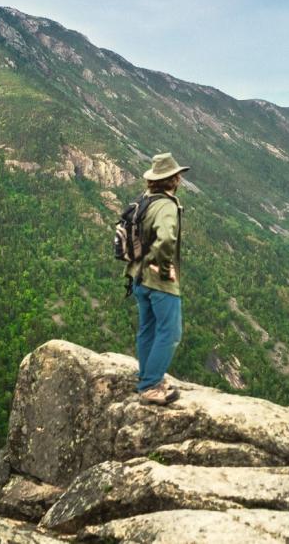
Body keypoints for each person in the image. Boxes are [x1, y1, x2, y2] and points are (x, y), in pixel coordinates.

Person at [125, 152, 189, 405]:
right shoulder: (166, 206)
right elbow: (165, 240)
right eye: (178, 175)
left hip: (137, 276)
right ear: (172, 179)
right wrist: (163, 269)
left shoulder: (145, 199)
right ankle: (151, 386)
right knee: (170, 332)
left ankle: (145, 377)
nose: (180, 178)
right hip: (158, 282)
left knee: (147, 329)